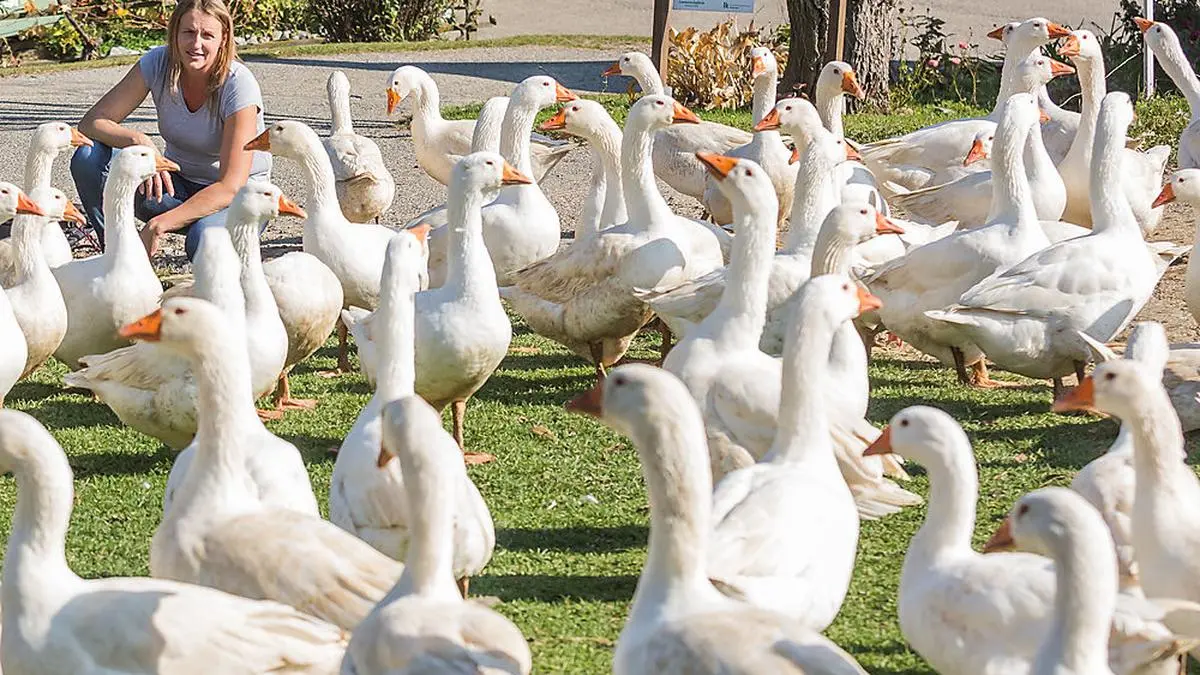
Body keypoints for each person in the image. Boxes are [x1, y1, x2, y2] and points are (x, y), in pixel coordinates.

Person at [73, 0, 270, 261]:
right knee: (88, 157)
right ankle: (115, 256)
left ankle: (206, 233)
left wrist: (159, 224)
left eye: (207, 35)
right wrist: (138, 140)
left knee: (203, 243)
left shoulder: (238, 84)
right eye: (188, 32)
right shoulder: (157, 62)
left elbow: (231, 186)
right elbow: (92, 122)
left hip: (237, 198)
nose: (196, 44)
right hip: (178, 185)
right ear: (174, 33)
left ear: (223, 39)